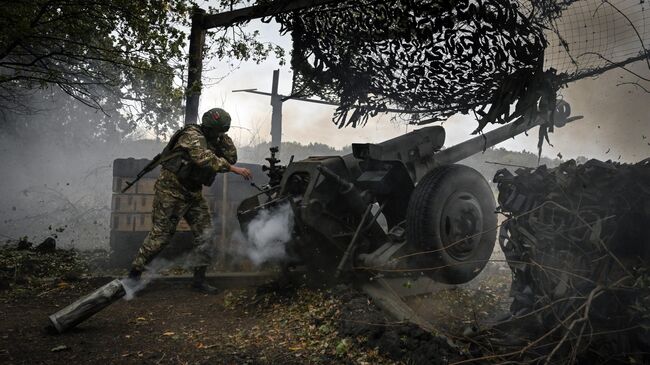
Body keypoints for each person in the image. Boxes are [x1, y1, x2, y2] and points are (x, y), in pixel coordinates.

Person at [128, 108, 252, 293]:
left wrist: (222, 138)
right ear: (209, 127)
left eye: (223, 131)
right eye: (218, 131)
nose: (220, 135)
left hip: (193, 193)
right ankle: (133, 277)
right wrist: (234, 170)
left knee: (206, 235)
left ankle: (199, 281)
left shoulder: (215, 139)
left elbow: (231, 157)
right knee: (161, 237)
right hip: (171, 191)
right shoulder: (191, 135)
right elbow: (203, 159)